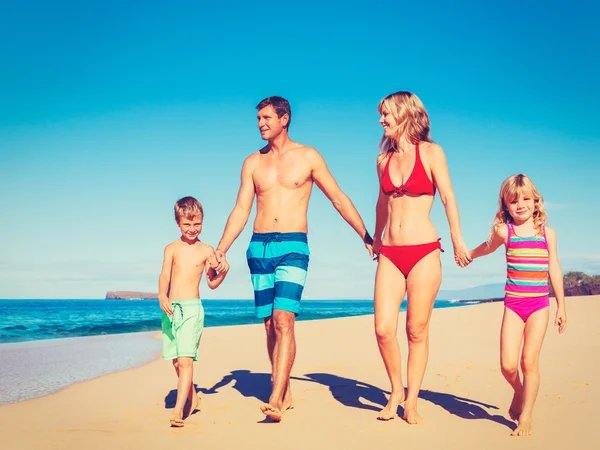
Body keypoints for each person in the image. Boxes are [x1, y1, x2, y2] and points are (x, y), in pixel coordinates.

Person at [213, 96, 373, 421]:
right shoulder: (252, 163)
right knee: (270, 324)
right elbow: (241, 209)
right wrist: (221, 249)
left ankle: (275, 397)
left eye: (266, 117)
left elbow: (338, 198)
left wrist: (365, 236)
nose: (261, 123)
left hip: (293, 246)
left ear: (284, 119)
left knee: (285, 319)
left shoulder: (308, 156)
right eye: (258, 118)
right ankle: (283, 389)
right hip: (258, 248)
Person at [372, 91, 471, 424]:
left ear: (405, 114)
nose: (381, 120)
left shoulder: (430, 152)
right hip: (389, 251)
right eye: (381, 114)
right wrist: (375, 238)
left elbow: (448, 196)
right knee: (384, 329)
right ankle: (395, 390)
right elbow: (382, 203)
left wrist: (457, 240)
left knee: (416, 329)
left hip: (424, 251)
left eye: (386, 114)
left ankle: (411, 400)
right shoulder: (383, 160)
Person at [467, 174, 567, 436]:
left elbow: (554, 269)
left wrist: (561, 306)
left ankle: (526, 416)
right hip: (513, 304)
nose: (520, 204)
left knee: (528, 361)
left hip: (539, 305)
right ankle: (520, 393)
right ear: (505, 205)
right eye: (513, 201)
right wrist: (468, 255)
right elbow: (487, 248)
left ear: (536, 202)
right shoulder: (505, 232)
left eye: (525, 199)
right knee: (508, 365)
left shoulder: (548, 234)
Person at [158, 196, 227, 427]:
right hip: (171, 310)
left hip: (191, 309)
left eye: (197, 224)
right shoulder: (171, 249)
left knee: (186, 360)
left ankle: (179, 410)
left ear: (202, 222)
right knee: (176, 362)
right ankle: (193, 395)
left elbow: (211, 283)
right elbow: (165, 275)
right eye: (187, 224)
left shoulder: (206, 250)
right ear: (178, 223)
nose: (192, 229)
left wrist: (222, 272)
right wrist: (162, 295)